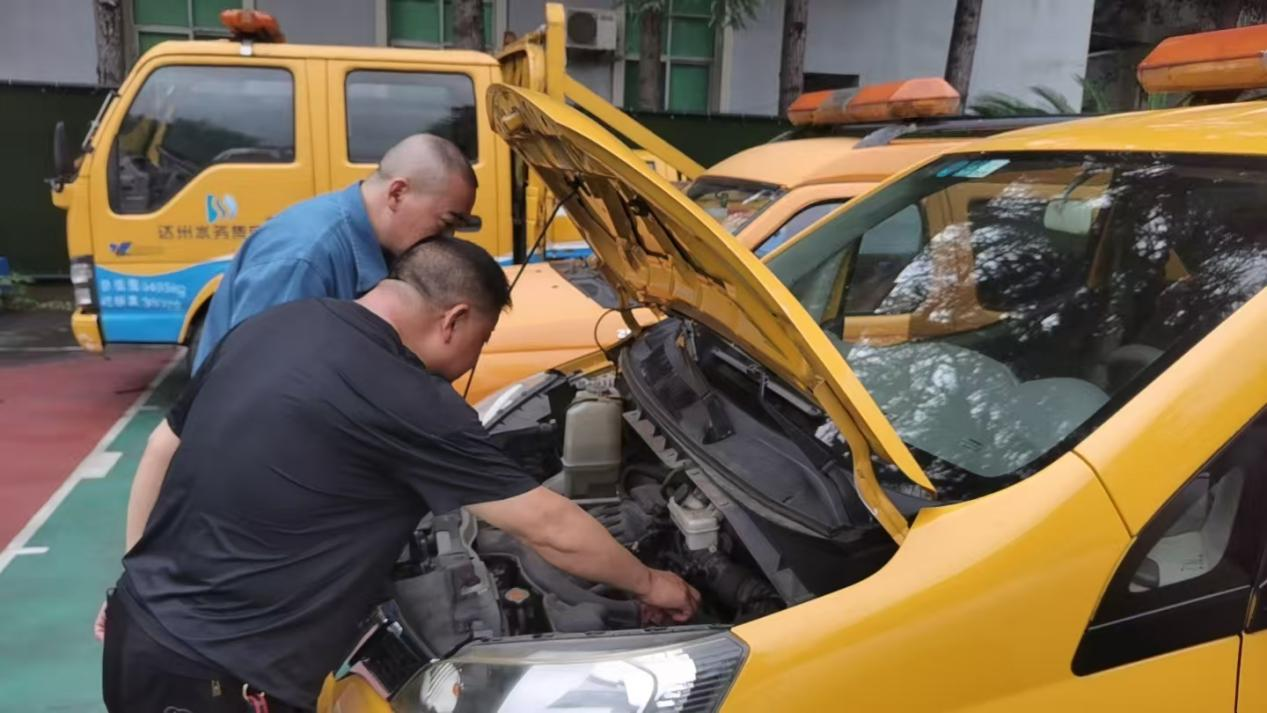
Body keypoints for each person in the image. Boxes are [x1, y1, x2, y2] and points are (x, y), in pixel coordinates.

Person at [102, 237, 700, 713]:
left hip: (137, 630)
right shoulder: (406, 396)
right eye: (481, 341)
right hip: (221, 681)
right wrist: (652, 584)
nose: (471, 361)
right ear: (454, 320)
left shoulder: (275, 324)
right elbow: (548, 526)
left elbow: (161, 447)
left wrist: (136, 581)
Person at [190, 133, 478, 373]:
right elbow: (259, 383)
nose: (446, 239)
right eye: (446, 223)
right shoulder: (304, 257)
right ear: (397, 194)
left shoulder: (376, 249)